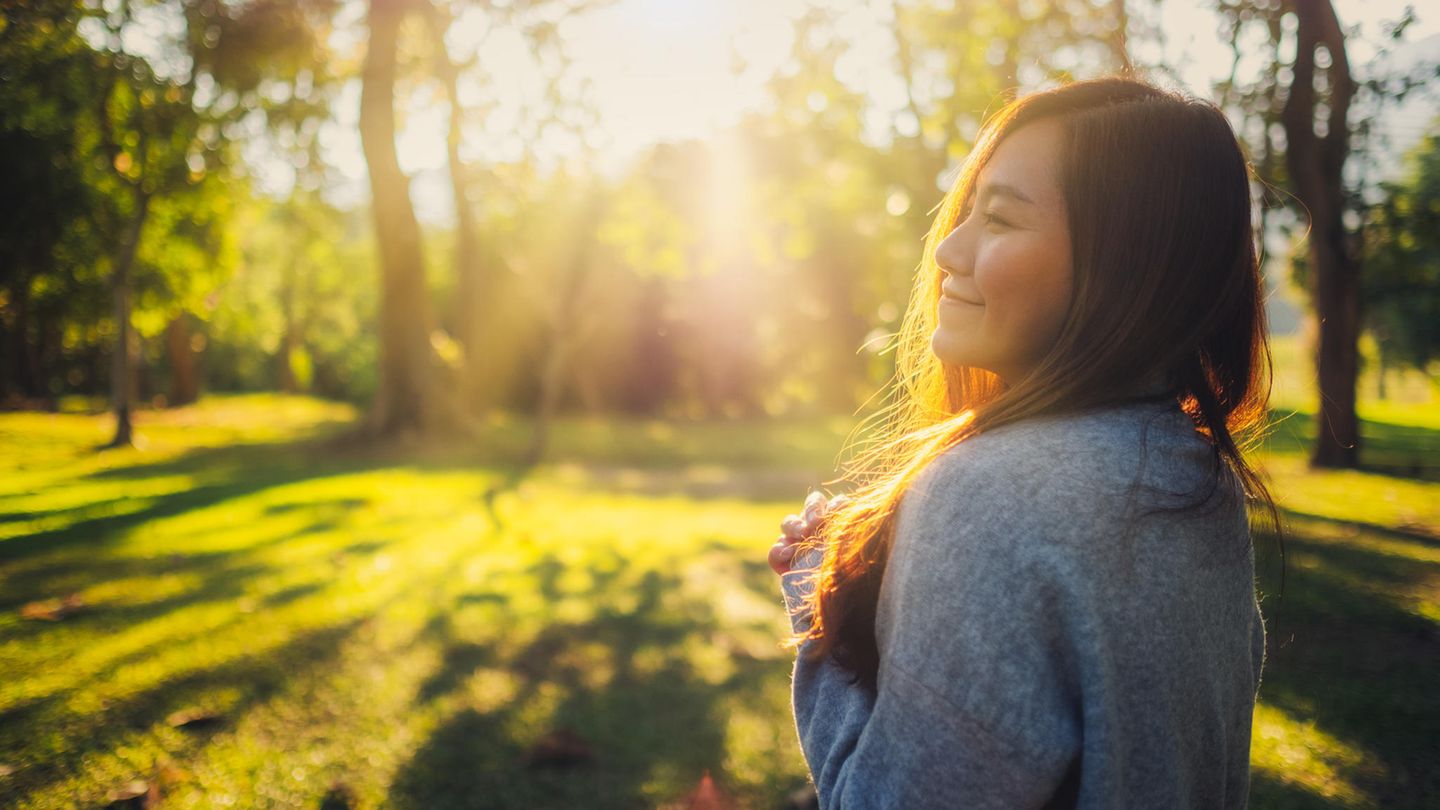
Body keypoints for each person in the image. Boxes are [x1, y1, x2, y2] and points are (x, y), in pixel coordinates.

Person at [766, 76, 1283, 808]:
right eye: (967, 211)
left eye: (1000, 221)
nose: (947, 249)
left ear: (1124, 265)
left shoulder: (988, 494)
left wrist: (817, 617)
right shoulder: (1191, 472)